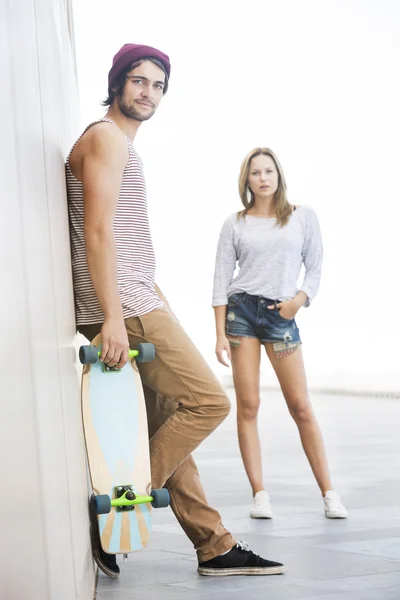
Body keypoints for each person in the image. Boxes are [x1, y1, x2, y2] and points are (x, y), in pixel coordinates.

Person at [66, 45, 285, 578]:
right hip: (127, 306)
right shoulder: (105, 139)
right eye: (138, 81)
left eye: (158, 85)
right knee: (208, 403)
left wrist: (153, 297)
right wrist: (115, 318)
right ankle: (124, 503)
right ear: (117, 83)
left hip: (141, 298)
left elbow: (123, 236)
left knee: (167, 420)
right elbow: (97, 232)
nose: (148, 93)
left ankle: (213, 545)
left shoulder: (116, 144)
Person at [212, 147, 347, 521]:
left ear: (279, 175)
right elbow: (222, 280)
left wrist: (298, 301)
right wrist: (219, 333)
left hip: (280, 317)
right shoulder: (235, 223)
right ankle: (259, 494)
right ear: (247, 180)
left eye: (269, 170)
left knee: (300, 406)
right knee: (249, 405)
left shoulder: (302, 217)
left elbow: (316, 269)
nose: (263, 178)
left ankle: (330, 493)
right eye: (255, 172)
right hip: (240, 316)